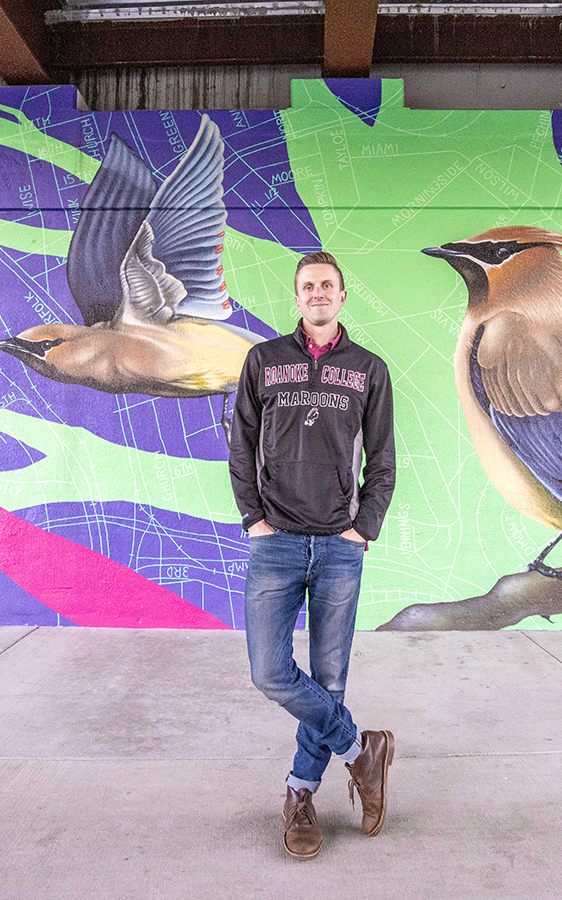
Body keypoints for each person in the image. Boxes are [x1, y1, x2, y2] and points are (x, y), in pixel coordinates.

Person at [228, 250, 397, 860]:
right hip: (275, 544)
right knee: (269, 673)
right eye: (308, 286)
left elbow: (382, 462)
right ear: (297, 298)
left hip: (338, 547)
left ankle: (301, 795)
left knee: (329, 679)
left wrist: (363, 529)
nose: (318, 294)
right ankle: (360, 750)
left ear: (341, 297)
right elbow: (239, 444)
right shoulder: (263, 361)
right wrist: (255, 519)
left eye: (328, 285)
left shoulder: (369, 370)